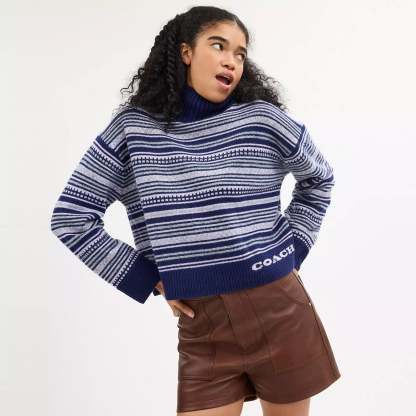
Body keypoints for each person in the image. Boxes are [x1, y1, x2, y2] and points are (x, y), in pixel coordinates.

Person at [50, 5, 341, 416]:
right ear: (186, 52)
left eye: (240, 53)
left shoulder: (263, 119)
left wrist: (292, 249)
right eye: (218, 46)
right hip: (203, 328)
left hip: (280, 310)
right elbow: (71, 217)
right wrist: (149, 277)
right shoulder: (133, 130)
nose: (231, 60)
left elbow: (319, 179)